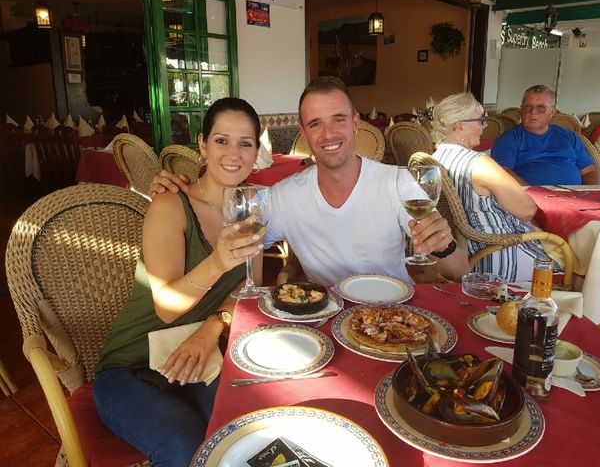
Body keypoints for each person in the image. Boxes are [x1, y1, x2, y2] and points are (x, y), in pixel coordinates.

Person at [151, 77, 469, 284]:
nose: (328, 134)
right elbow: (225, 231)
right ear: (304, 133)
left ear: (356, 123)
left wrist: (445, 246)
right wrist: (182, 194)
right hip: (323, 323)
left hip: (396, 317)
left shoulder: (399, 184)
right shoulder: (284, 196)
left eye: (339, 120)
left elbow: (457, 271)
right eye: (315, 124)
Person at [93, 98, 266, 466]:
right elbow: (166, 308)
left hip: (201, 357)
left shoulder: (251, 209)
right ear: (202, 144)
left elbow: (249, 291)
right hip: (132, 369)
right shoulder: (171, 206)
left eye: (245, 143)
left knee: (248, 432)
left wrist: (211, 329)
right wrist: (219, 261)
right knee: (185, 449)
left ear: (257, 151)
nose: (233, 153)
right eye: (222, 140)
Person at [428, 92, 557, 282]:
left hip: (467, 253)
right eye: (480, 121)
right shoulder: (479, 163)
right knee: (577, 262)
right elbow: (527, 210)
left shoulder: (435, 159)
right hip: (500, 256)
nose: (485, 125)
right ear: (459, 126)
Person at [491, 85, 599, 185]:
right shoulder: (510, 139)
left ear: (552, 112)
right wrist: (532, 195)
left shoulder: (569, 137)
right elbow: (502, 173)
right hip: (533, 200)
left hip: (575, 199)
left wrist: (590, 194)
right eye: (528, 106)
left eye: (541, 108)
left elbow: (590, 171)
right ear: (521, 110)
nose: (533, 112)